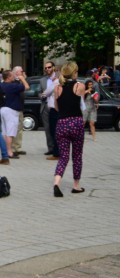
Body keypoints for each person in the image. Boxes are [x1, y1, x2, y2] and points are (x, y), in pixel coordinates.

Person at [52, 62, 86, 198]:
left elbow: (56, 108)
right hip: (76, 122)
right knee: (77, 156)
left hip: (61, 123)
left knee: (63, 157)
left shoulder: (57, 88)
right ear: (74, 72)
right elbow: (82, 106)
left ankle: (56, 183)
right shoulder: (79, 86)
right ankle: (76, 186)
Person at [0, 70, 29, 159]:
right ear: (8, 77)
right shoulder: (12, 86)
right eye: (12, 75)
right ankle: (9, 152)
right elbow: (27, 87)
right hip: (11, 110)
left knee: (5, 132)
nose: (14, 76)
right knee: (10, 132)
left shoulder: (1, 85)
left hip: (3, 109)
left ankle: (6, 150)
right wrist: (22, 78)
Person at [41, 61, 59, 160]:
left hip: (55, 106)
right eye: (46, 68)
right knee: (48, 129)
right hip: (45, 105)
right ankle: (51, 148)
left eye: (49, 67)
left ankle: (56, 151)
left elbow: (47, 92)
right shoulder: (43, 80)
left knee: (55, 129)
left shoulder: (57, 79)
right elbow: (41, 92)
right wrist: (42, 96)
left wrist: (44, 94)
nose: (47, 69)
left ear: (53, 67)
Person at [10, 66, 27, 157]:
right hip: (14, 109)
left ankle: (17, 147)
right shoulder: (14, 82)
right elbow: (26, 87)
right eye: (21, 71)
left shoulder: (20, 82)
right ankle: (12, 148)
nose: (23, 72)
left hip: (20, 108)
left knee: (20, 129)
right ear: (17, 73)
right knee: (13, 129)